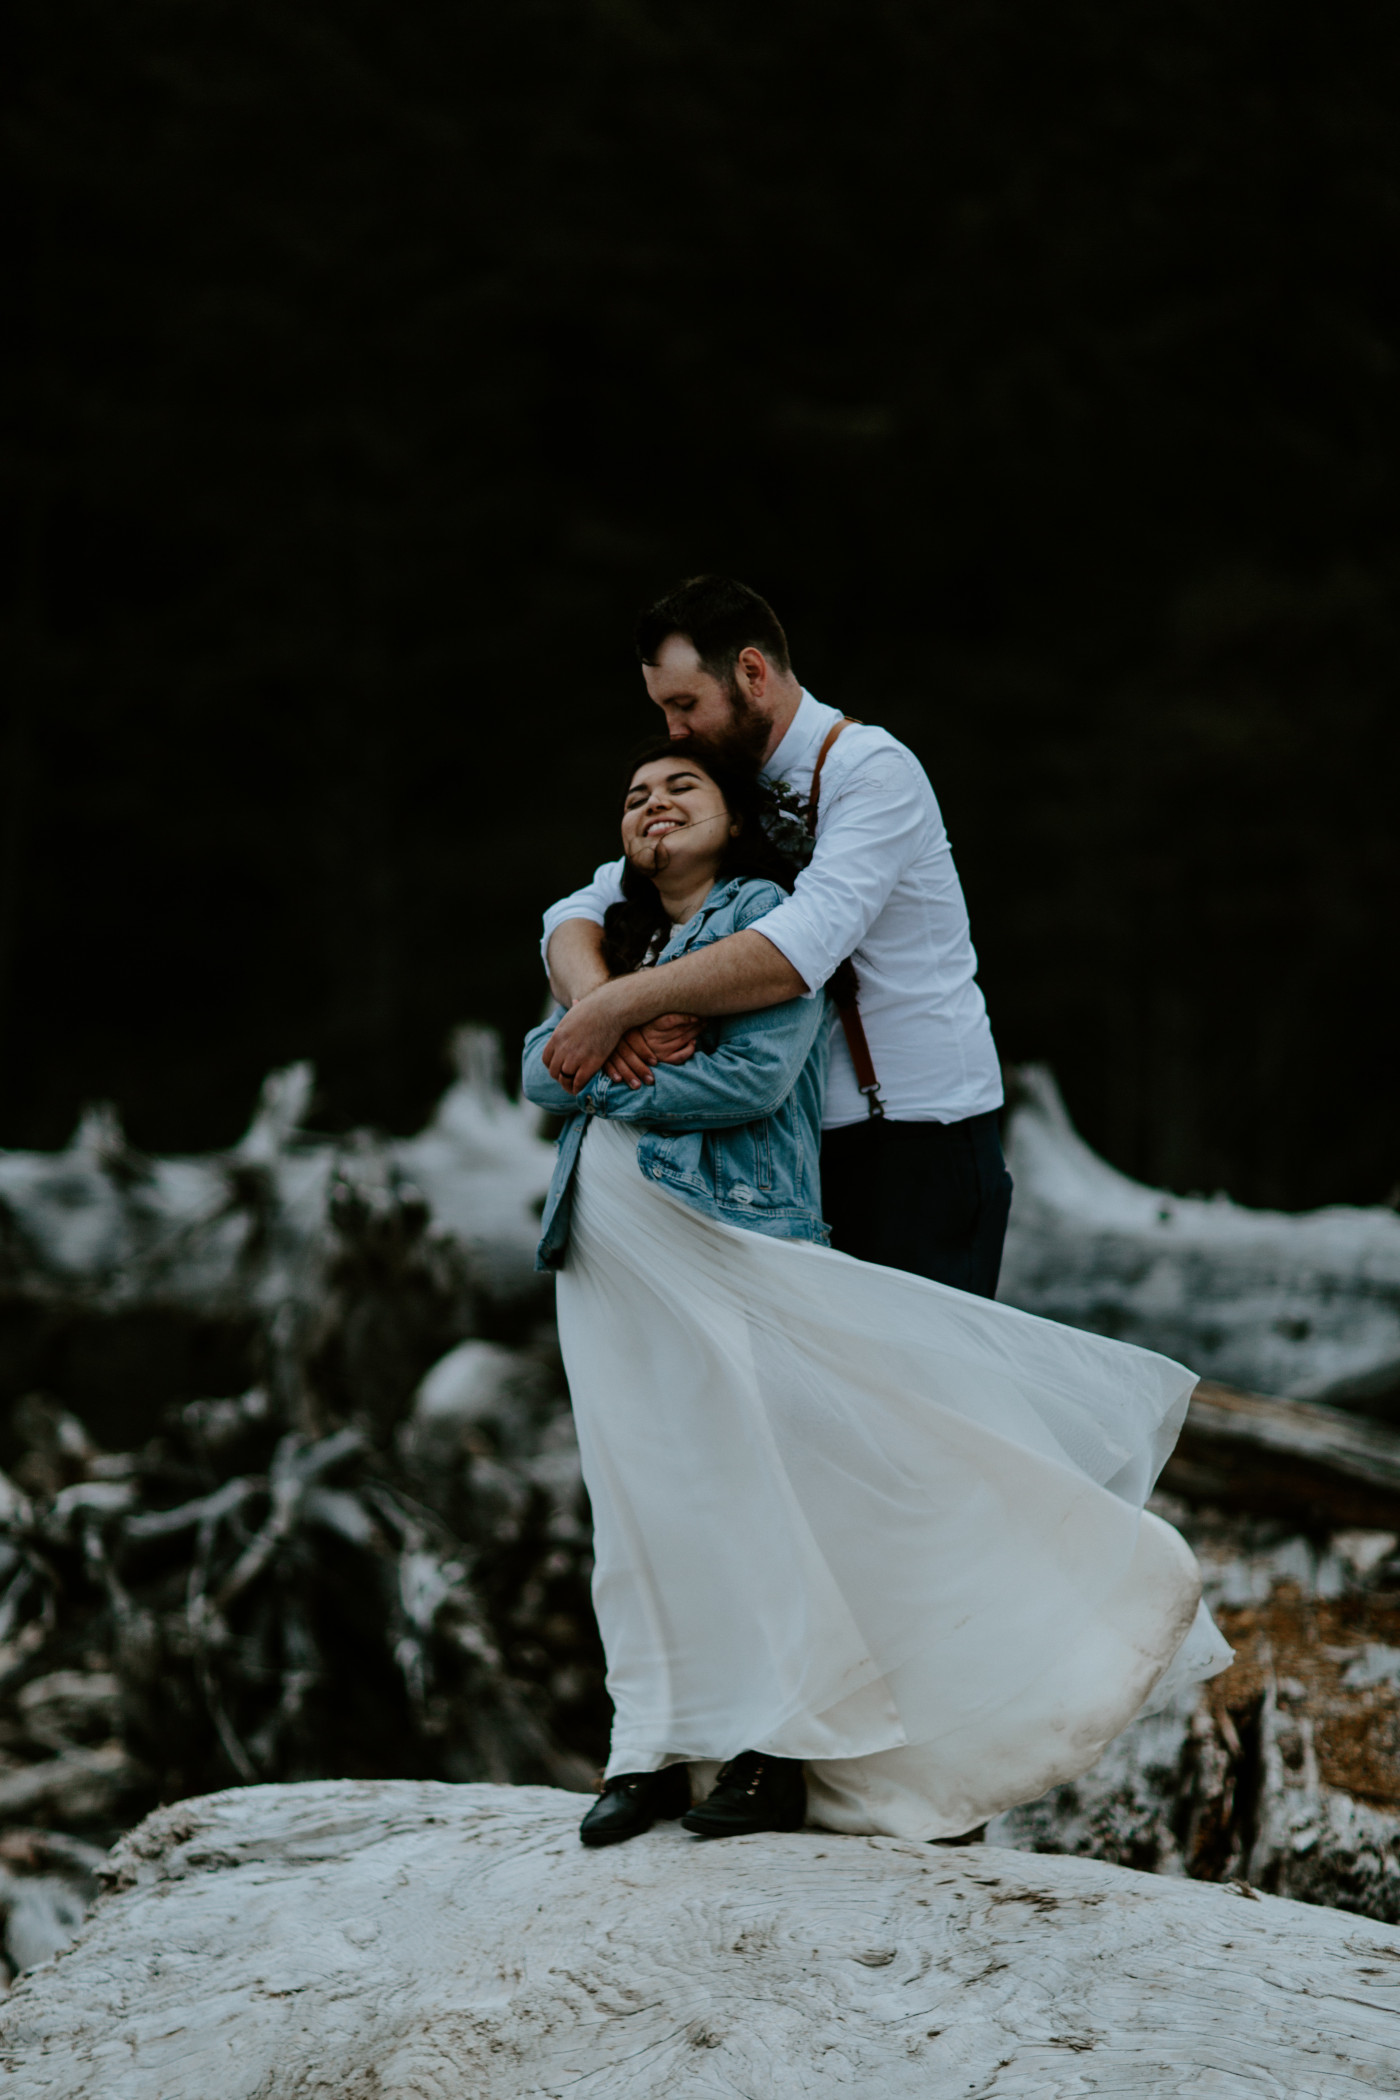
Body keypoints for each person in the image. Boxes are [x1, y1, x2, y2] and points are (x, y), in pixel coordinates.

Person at [523, 742, 1231, 1850]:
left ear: (735, 819)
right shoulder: (612, 938)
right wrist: (606, 1014)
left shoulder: (764, 920)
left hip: (721, 1237)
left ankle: (774, 1751)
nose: (651, 802)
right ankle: (649, 1744)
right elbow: (534, 1066)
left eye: (680, 785)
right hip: (603, 1264)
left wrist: (610, 1047)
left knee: (754, 1493)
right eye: (631, 794)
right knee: (638, 1496)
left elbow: (751, 1076)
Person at [540, 574, 1012, 1297]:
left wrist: (617, 1008)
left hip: (917, 1138)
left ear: (752, 673)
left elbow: (796, 951)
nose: (673, 731)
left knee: (922, 1401)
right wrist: (599, 1002)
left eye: (685, 704)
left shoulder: (871, 771)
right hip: (790, 1152)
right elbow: (573, 912)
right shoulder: (723, 784)